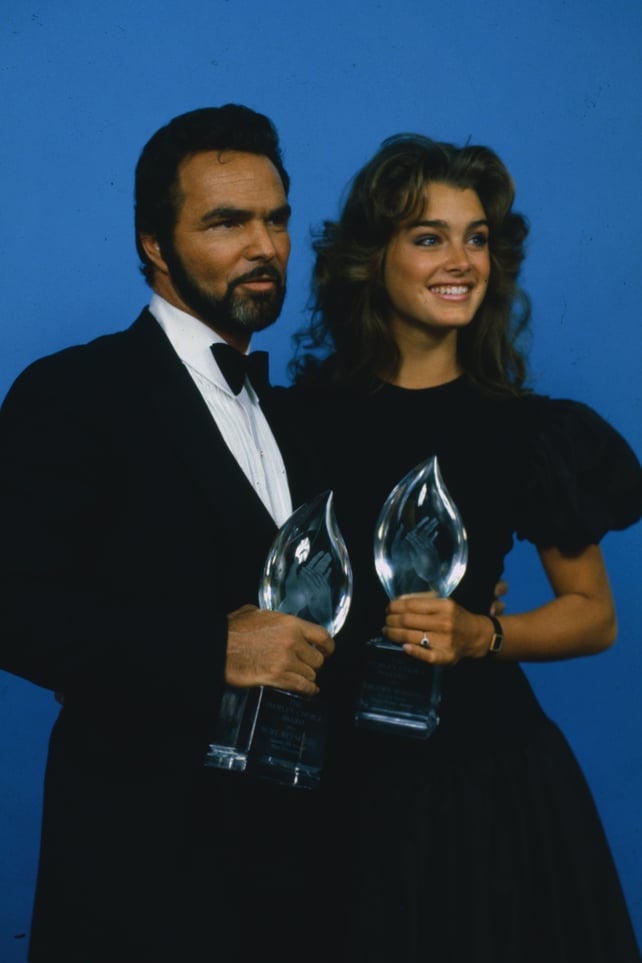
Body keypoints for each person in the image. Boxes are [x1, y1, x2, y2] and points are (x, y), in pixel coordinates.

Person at [290, 134, 642, 962]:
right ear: (372, 258)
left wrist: (484, 634)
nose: (461, 261)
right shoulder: (293, 420)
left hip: (485, 789)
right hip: (332, 785)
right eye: (429, 237)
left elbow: (594, 615)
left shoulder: (529, 431)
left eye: (476, 237)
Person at [0, 105, 338, 963]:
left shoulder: (296, 416)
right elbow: (13, 608)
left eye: (275, 220)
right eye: (226, 223)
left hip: (297, 871)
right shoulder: (72, 392)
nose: (263, 246)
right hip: (139, 871)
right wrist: (213, 647)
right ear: (154, 244)